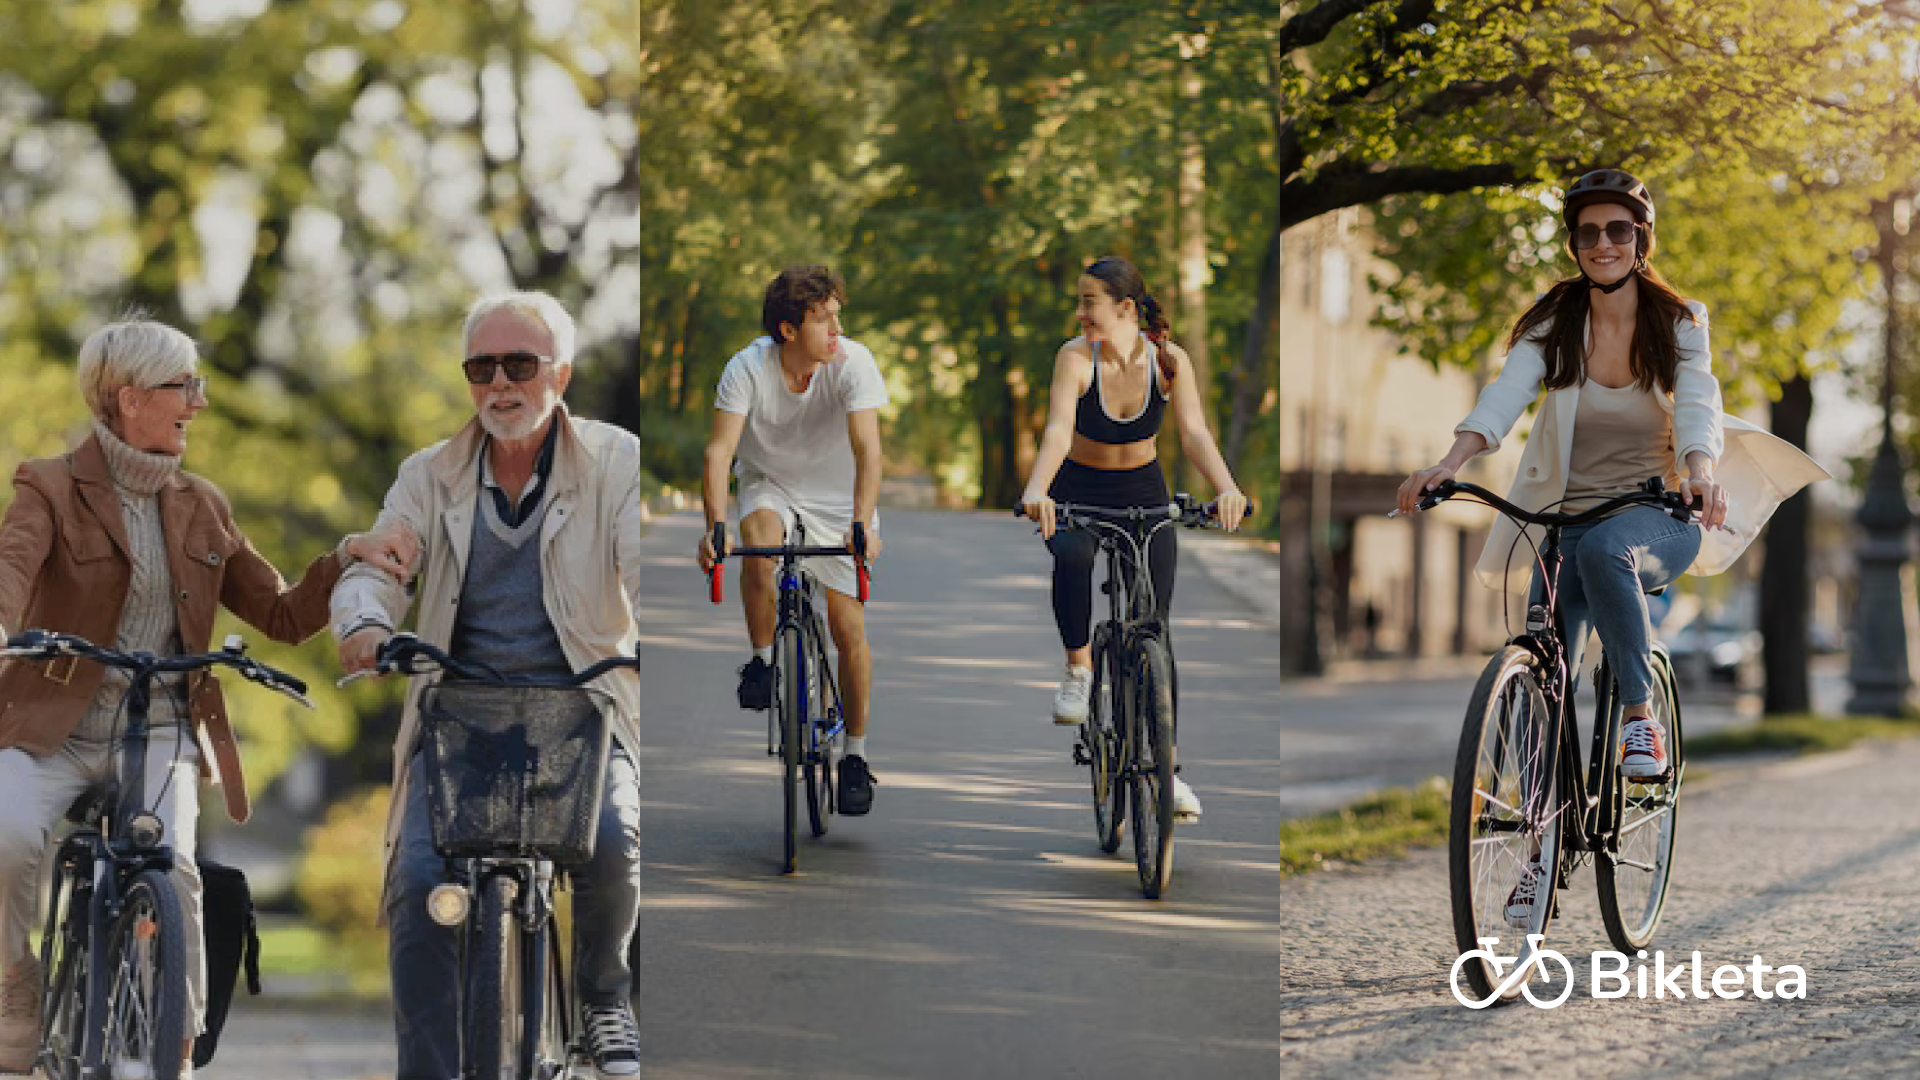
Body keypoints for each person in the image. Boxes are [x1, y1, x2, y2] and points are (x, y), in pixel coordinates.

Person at [1395, 168, 1826, 925]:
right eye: (1588, 231)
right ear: (1574, 243)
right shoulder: (1554, 322)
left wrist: (1700, 473)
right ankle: (1540, 853)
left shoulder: (1678, 321)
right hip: (1564, 519)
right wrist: (1450, 461)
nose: (1603, 243)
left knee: (1604, 555)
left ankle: (1636, 714)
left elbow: (1699, 402)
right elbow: (1506, 394)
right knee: (1540, 681)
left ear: (1640, 240)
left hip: (1659, 514)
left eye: (1618, 230)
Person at [0, 315, 415, 1076]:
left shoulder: (202, 504)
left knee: (177, 866)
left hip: (161, 725)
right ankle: (13, 983)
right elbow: (13, 564)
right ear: (130, 398)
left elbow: (282, 614)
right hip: (52, 729)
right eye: (183, 386)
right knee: (8, 833)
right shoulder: (48, 486)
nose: (199, 401)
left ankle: (179, 1045)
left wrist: (343, 557)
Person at [332, 291, 644, 1080]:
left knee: (612, 840)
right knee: (417, 891)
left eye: (519, 364)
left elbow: (642, 562)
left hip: (583, 715)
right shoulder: (428, 476)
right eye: (481, 367)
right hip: (459, 725)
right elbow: (380, 564)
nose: (499, 384)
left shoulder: (615, 462)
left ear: (560, 374)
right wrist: (364, 623)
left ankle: (603, 993)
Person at [1017, 256, 1250, 823]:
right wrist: (1038, 488)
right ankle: (1079, 671)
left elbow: (1194, 433)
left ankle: (1166, 770)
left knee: (1154, 632)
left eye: (1089, 302)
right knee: (1073, 555)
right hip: (1079, 487)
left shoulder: (1169, 361)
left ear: (1125, 307)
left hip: (1143, 490)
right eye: (1079, 301)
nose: (1080, 313)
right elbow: (1058, 430)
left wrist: (1227, 488)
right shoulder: (1075, 358)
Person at [696, 265, 888, 816]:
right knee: (759, 547)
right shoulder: (746, 368)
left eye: (837, 317)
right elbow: (719, 452)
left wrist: (861, 524)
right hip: (770, 483)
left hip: (839, 496)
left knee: (848, 626)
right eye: (823, 319)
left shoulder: (853, 363)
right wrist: (714, 527)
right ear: (788, 329)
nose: (837, 329)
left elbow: (868, 451)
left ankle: (855, 756)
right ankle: (762, 661)